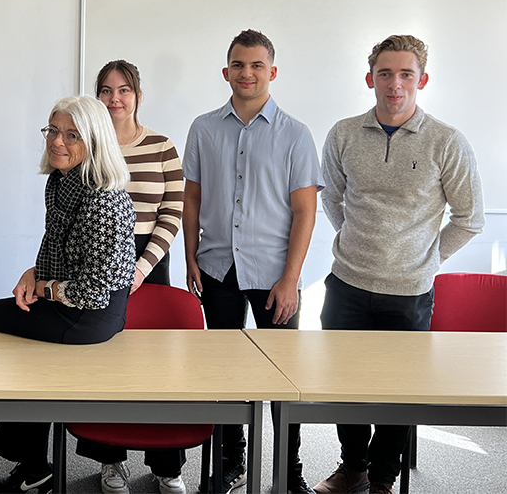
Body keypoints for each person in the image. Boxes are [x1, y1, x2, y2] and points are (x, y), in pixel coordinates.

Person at [0, 95, 136, 494]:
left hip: (90, 313)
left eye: (72, 135)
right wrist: (33, 273)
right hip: (69, 301)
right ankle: (34, 465)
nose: (57, 141)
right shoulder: (63, 181)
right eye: (53, 130)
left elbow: (94, 288)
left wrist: (46, 288)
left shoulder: (102, 198)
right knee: (24, 350)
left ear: (95, 141)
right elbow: (59, 244)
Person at [313, 35, 484, 494]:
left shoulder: (446, 141)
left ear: (421, 80)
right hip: (347, 283)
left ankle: (383, 478)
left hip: (409, 291)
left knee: (396, 392)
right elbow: (332, 196)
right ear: (370, 79)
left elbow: (471, 219)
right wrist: (355, 238)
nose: (394, 84)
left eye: (405, 74)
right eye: (385, 74)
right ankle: (353, 466)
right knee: (345, 387)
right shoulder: (344, 133)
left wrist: (425, 258)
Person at [182, 29, 322, 494]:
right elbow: (193, 199)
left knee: (285, 382)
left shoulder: (296, 135)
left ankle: (290, 472)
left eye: (257, 65)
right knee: (223, 377)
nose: (247, 73)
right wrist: (190, 260)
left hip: (273, 277)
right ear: (226, 72)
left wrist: (292, 279)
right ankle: (229, 463)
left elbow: (306, 211)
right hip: (217, 269)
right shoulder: (204, 128)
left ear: (272, 72)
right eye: (239, 65)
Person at [74, 60, 187, 494]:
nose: (114, 98)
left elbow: (173, 212)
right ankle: (111, 461)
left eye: (124, 90)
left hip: (150, 257)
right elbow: (77, 211)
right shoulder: (88, 145)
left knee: (157, 362)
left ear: (138, 95)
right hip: (100, 256)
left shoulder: (161, 145)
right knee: (104, 358)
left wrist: (142, 266)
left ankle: (166, 464)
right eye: (105, 90)